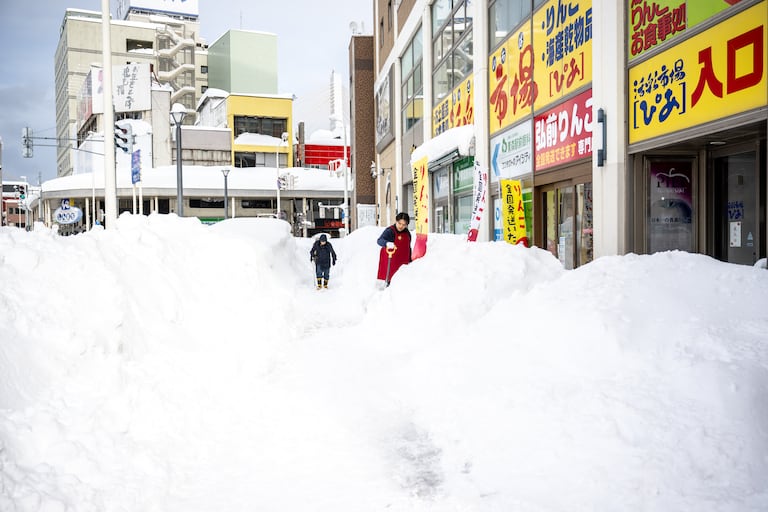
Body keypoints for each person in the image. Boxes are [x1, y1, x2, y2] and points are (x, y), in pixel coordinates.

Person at [376, 212, 412, 286]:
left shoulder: (407, 233)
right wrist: (387, 243)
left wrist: (410, 260)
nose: (401, 226)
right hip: (391, 264)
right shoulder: (390, 231)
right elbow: (379, 240)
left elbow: (408, 248)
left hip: (403, 264)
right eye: (399, 223)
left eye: (404, 225)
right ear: (396, 221)